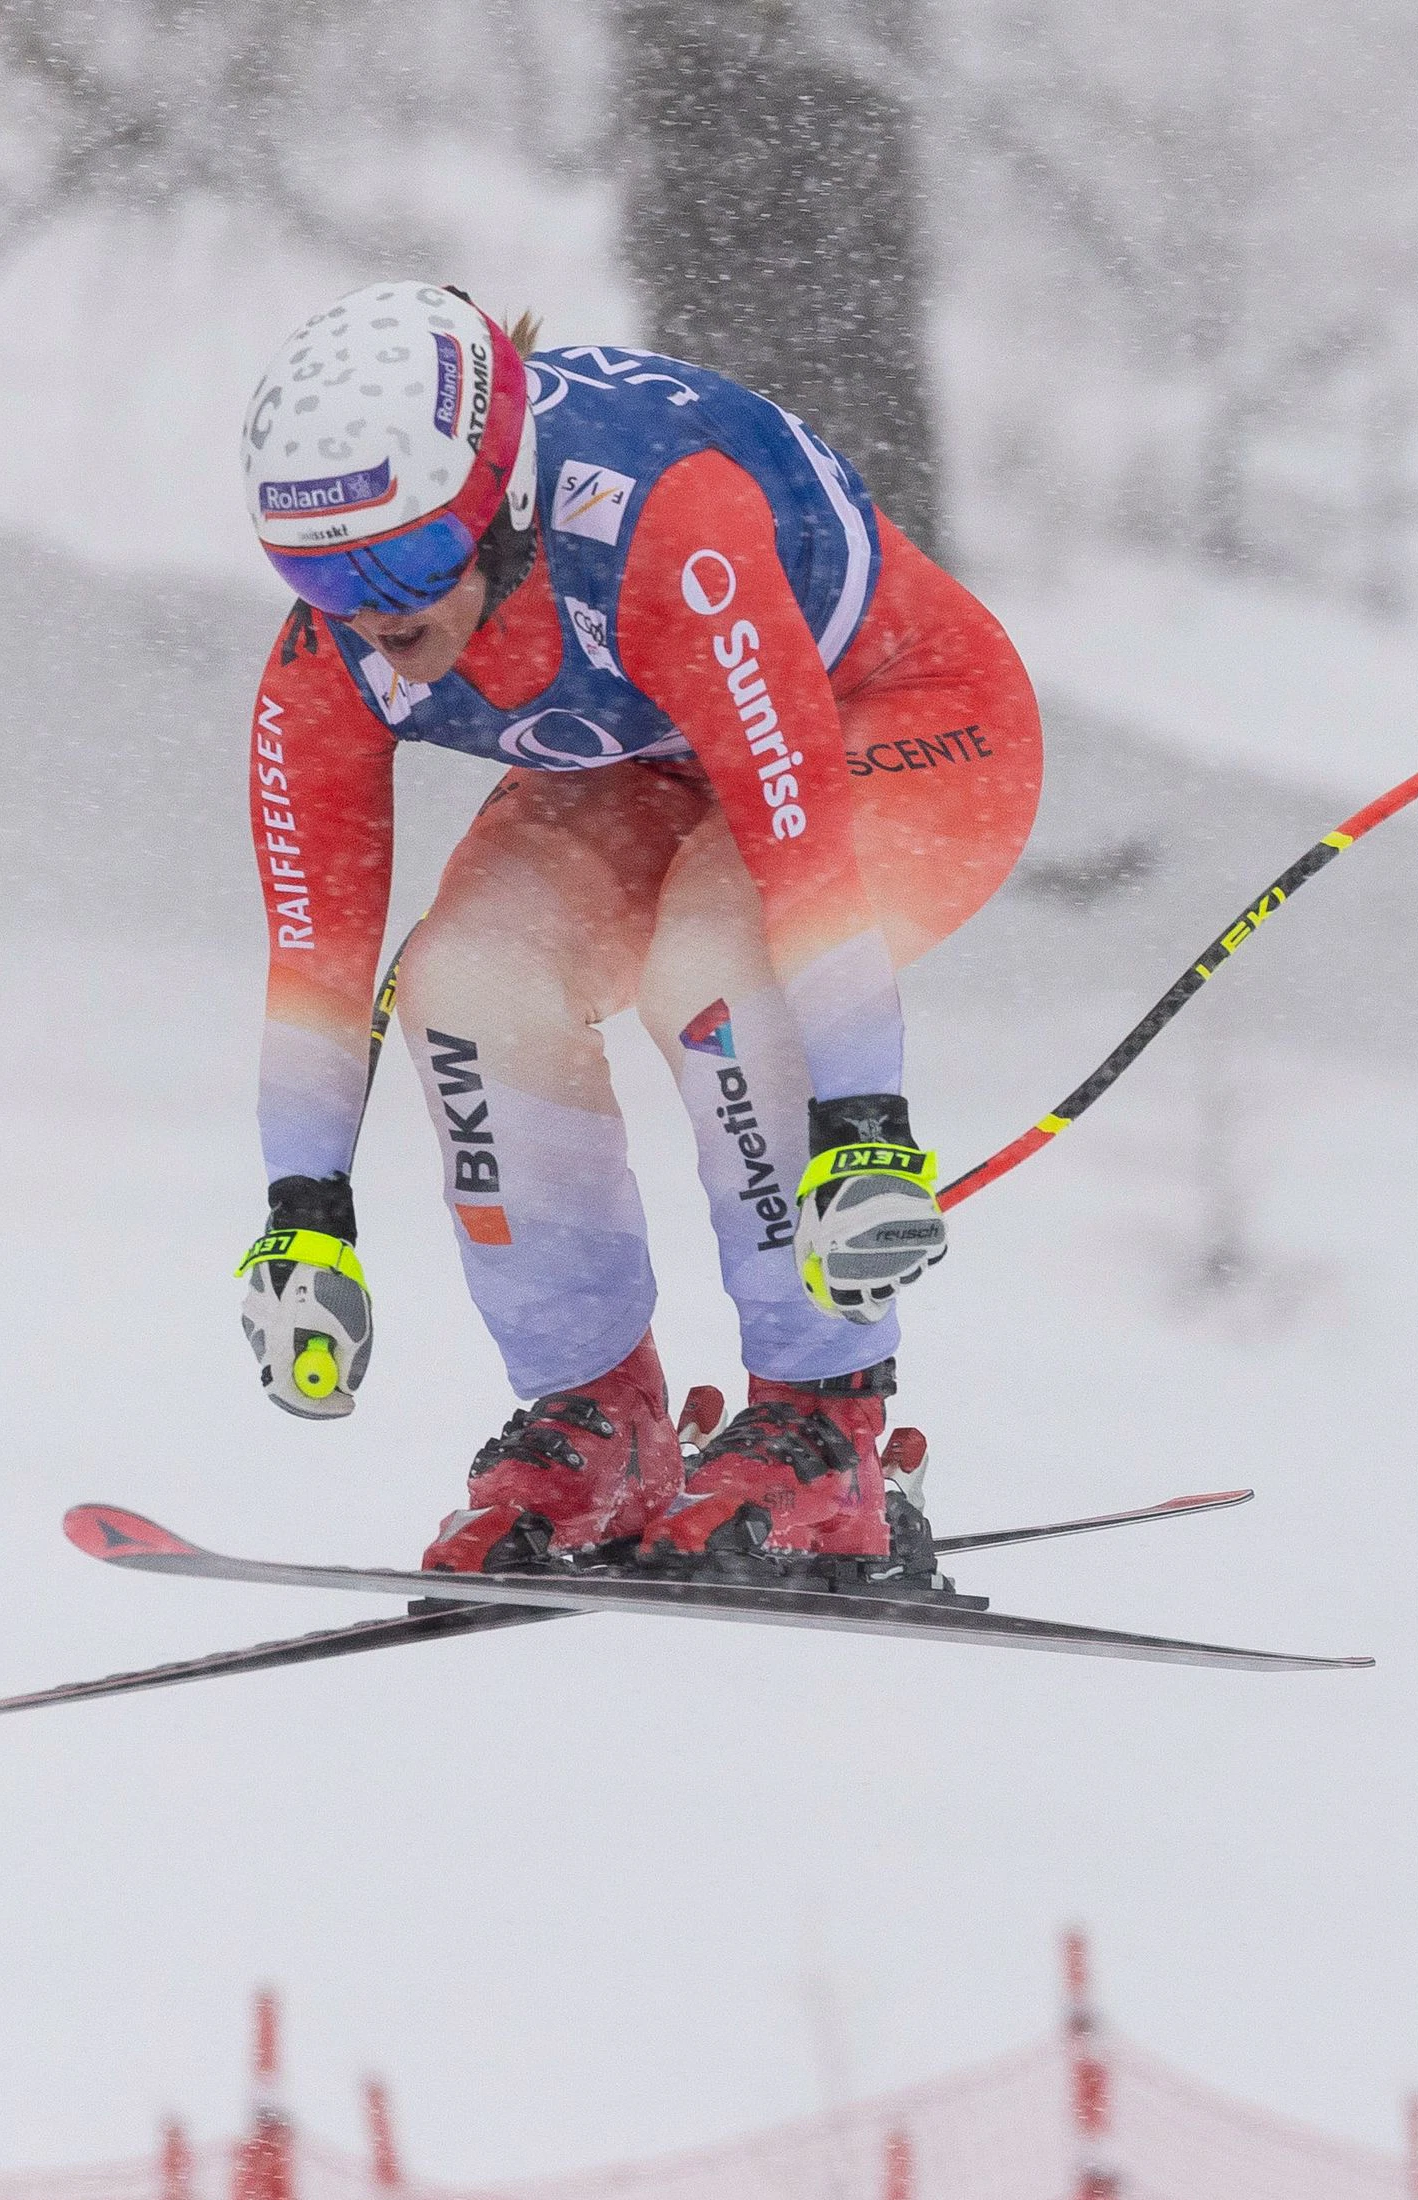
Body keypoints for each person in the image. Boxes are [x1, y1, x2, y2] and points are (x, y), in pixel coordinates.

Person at [231, 280, 1042, 1578]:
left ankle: (823, 1423)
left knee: (720, 966)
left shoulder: (665, 524)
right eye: (318, 570)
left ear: (504, 502)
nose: (374, 609)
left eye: (409, 560)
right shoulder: (337, 649)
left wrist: (865, 1131)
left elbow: (800, 853)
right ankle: (596, 1415)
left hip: (897, 722)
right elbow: (315, 959)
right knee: (464, 982)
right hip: (651, 755)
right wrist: (302, 1215)